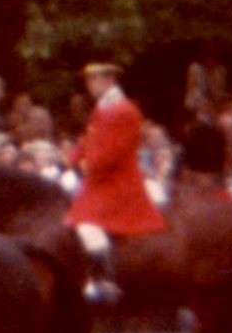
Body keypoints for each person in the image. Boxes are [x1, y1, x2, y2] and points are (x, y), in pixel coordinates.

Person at [64, 62, 165, 304]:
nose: (90, 85)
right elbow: (89, 141)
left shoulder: (123, 110)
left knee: (85, 222)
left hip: (116, 181)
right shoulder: (105, 107)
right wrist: (69, 162)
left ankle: (103, 278)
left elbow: (111, 154)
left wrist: (84, 167)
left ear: (109, 80)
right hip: (101, 177)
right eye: (89, 80)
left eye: (94, 79)